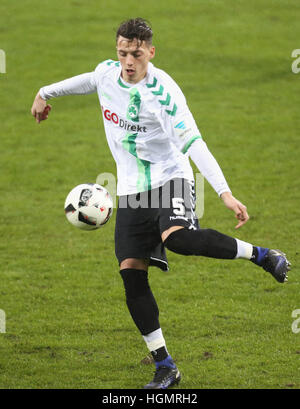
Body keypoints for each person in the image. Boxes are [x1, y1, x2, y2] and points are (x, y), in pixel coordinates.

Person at [31, 18, 291, 389]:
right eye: (122, 53)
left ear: (151, 52)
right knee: (131, 273)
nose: (128, 61)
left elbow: (194, 144)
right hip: (130, 189)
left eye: (136, 54)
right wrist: (45, 92)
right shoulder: (108, 74)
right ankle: (165, 365)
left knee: (179, 238)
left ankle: (263, 255)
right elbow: (89, 79)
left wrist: (224, 192)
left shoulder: (164, 95)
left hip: (171, 176)